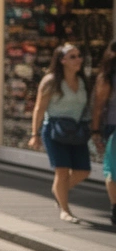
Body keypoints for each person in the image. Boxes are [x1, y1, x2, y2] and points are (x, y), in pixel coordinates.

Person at [28, 43, 91, 223]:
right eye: (73, 56)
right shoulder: (51, 80)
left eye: (79, 55)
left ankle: (58, 190)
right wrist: (35, 134)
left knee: (83, 171)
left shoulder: (83, 80)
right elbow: (39, 109)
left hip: (76, 130)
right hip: (54, 130)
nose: (78, 59)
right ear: (62, 60)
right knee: (62, 172)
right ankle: (65, 210)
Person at [91, 40, 116, 227]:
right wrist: (96, 130)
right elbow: (98, 107)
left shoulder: (106, 77)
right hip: (113, 128)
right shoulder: (107, 78)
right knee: (112, 169)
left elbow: (98, 107)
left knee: (111, 169)